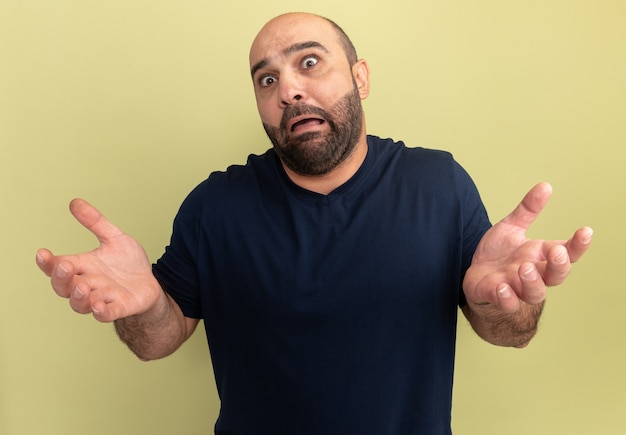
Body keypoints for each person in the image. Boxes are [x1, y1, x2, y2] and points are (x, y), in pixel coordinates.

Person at [36, 12, 593, 435]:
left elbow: (507, 332)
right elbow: (158, 339)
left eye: (308, 63)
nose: (289, 90)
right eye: (266, 80)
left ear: (360, 77)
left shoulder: (439, 185)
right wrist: (145, 306)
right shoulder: (214, 206)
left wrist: (510, 301)